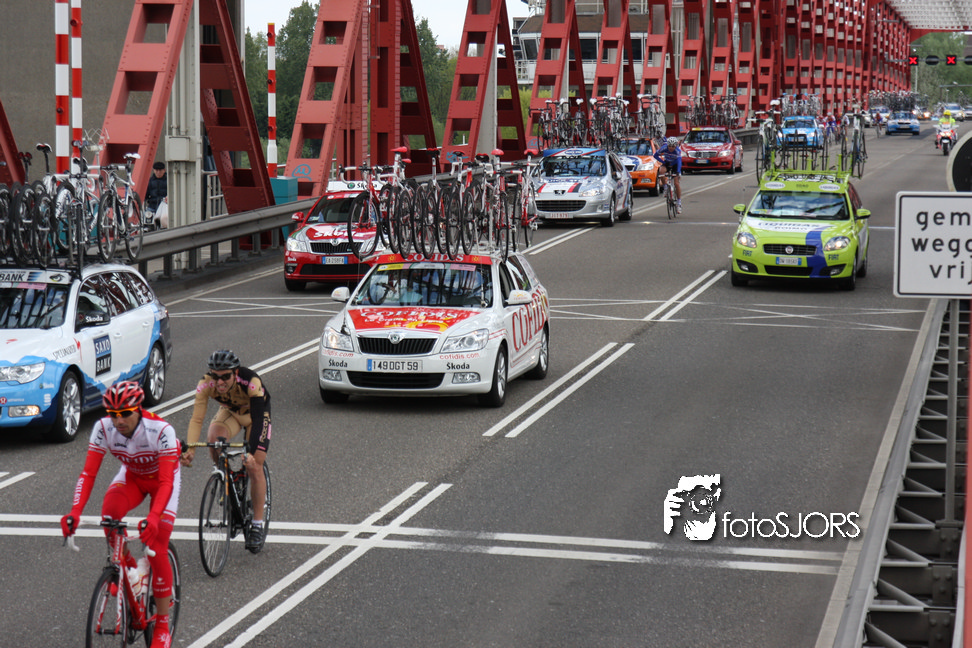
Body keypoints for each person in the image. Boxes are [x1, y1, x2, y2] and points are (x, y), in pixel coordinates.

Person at [61, 381, 180, 648]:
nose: (119, 421)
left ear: (138, 409)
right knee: (110, 516)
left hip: (163, 482)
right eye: (113, 414)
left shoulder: (161, 430)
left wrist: (154, 517)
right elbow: (88, 473)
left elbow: (166, 483)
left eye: (125, 413)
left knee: (157, 547)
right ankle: (129, 573)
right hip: (133, 477)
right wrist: (75, 512)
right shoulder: (103, 428)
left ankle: (162, 625)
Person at [180, 350, 271, 553]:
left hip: (256, 417)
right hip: (231, 413)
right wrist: (191, 449)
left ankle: (257, 524)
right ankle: (226, 477)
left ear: (235, 373)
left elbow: (258, 421)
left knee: (254, 465)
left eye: (225, 376)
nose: (219, 382)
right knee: (214, 440)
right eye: (215, 376)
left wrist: (251, 453)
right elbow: (197, 419)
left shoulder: (251, 382)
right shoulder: (206, 384)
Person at [653, 136, 683, 213]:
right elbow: (655, 155)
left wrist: (678, 172)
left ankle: (679, 203)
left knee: (676, 183)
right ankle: (665, 187)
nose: (671, 148)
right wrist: (663, 162)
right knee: (661, 171)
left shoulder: (677, 151)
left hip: (675, 165)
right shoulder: (664, 148)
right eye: (670, 146)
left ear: (676, 146)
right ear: (667, 145)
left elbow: (679, 161)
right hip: (667, 163)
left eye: (673, 146)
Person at [145, 161, 168, 229]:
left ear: (164, 170)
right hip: (152, 206)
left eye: (160, 170)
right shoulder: (149, 181)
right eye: (156, 170)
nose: (158, 172)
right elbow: (145, 195)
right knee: (146, 219)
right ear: (153, 170)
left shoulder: (169, 181)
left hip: (165, 206)